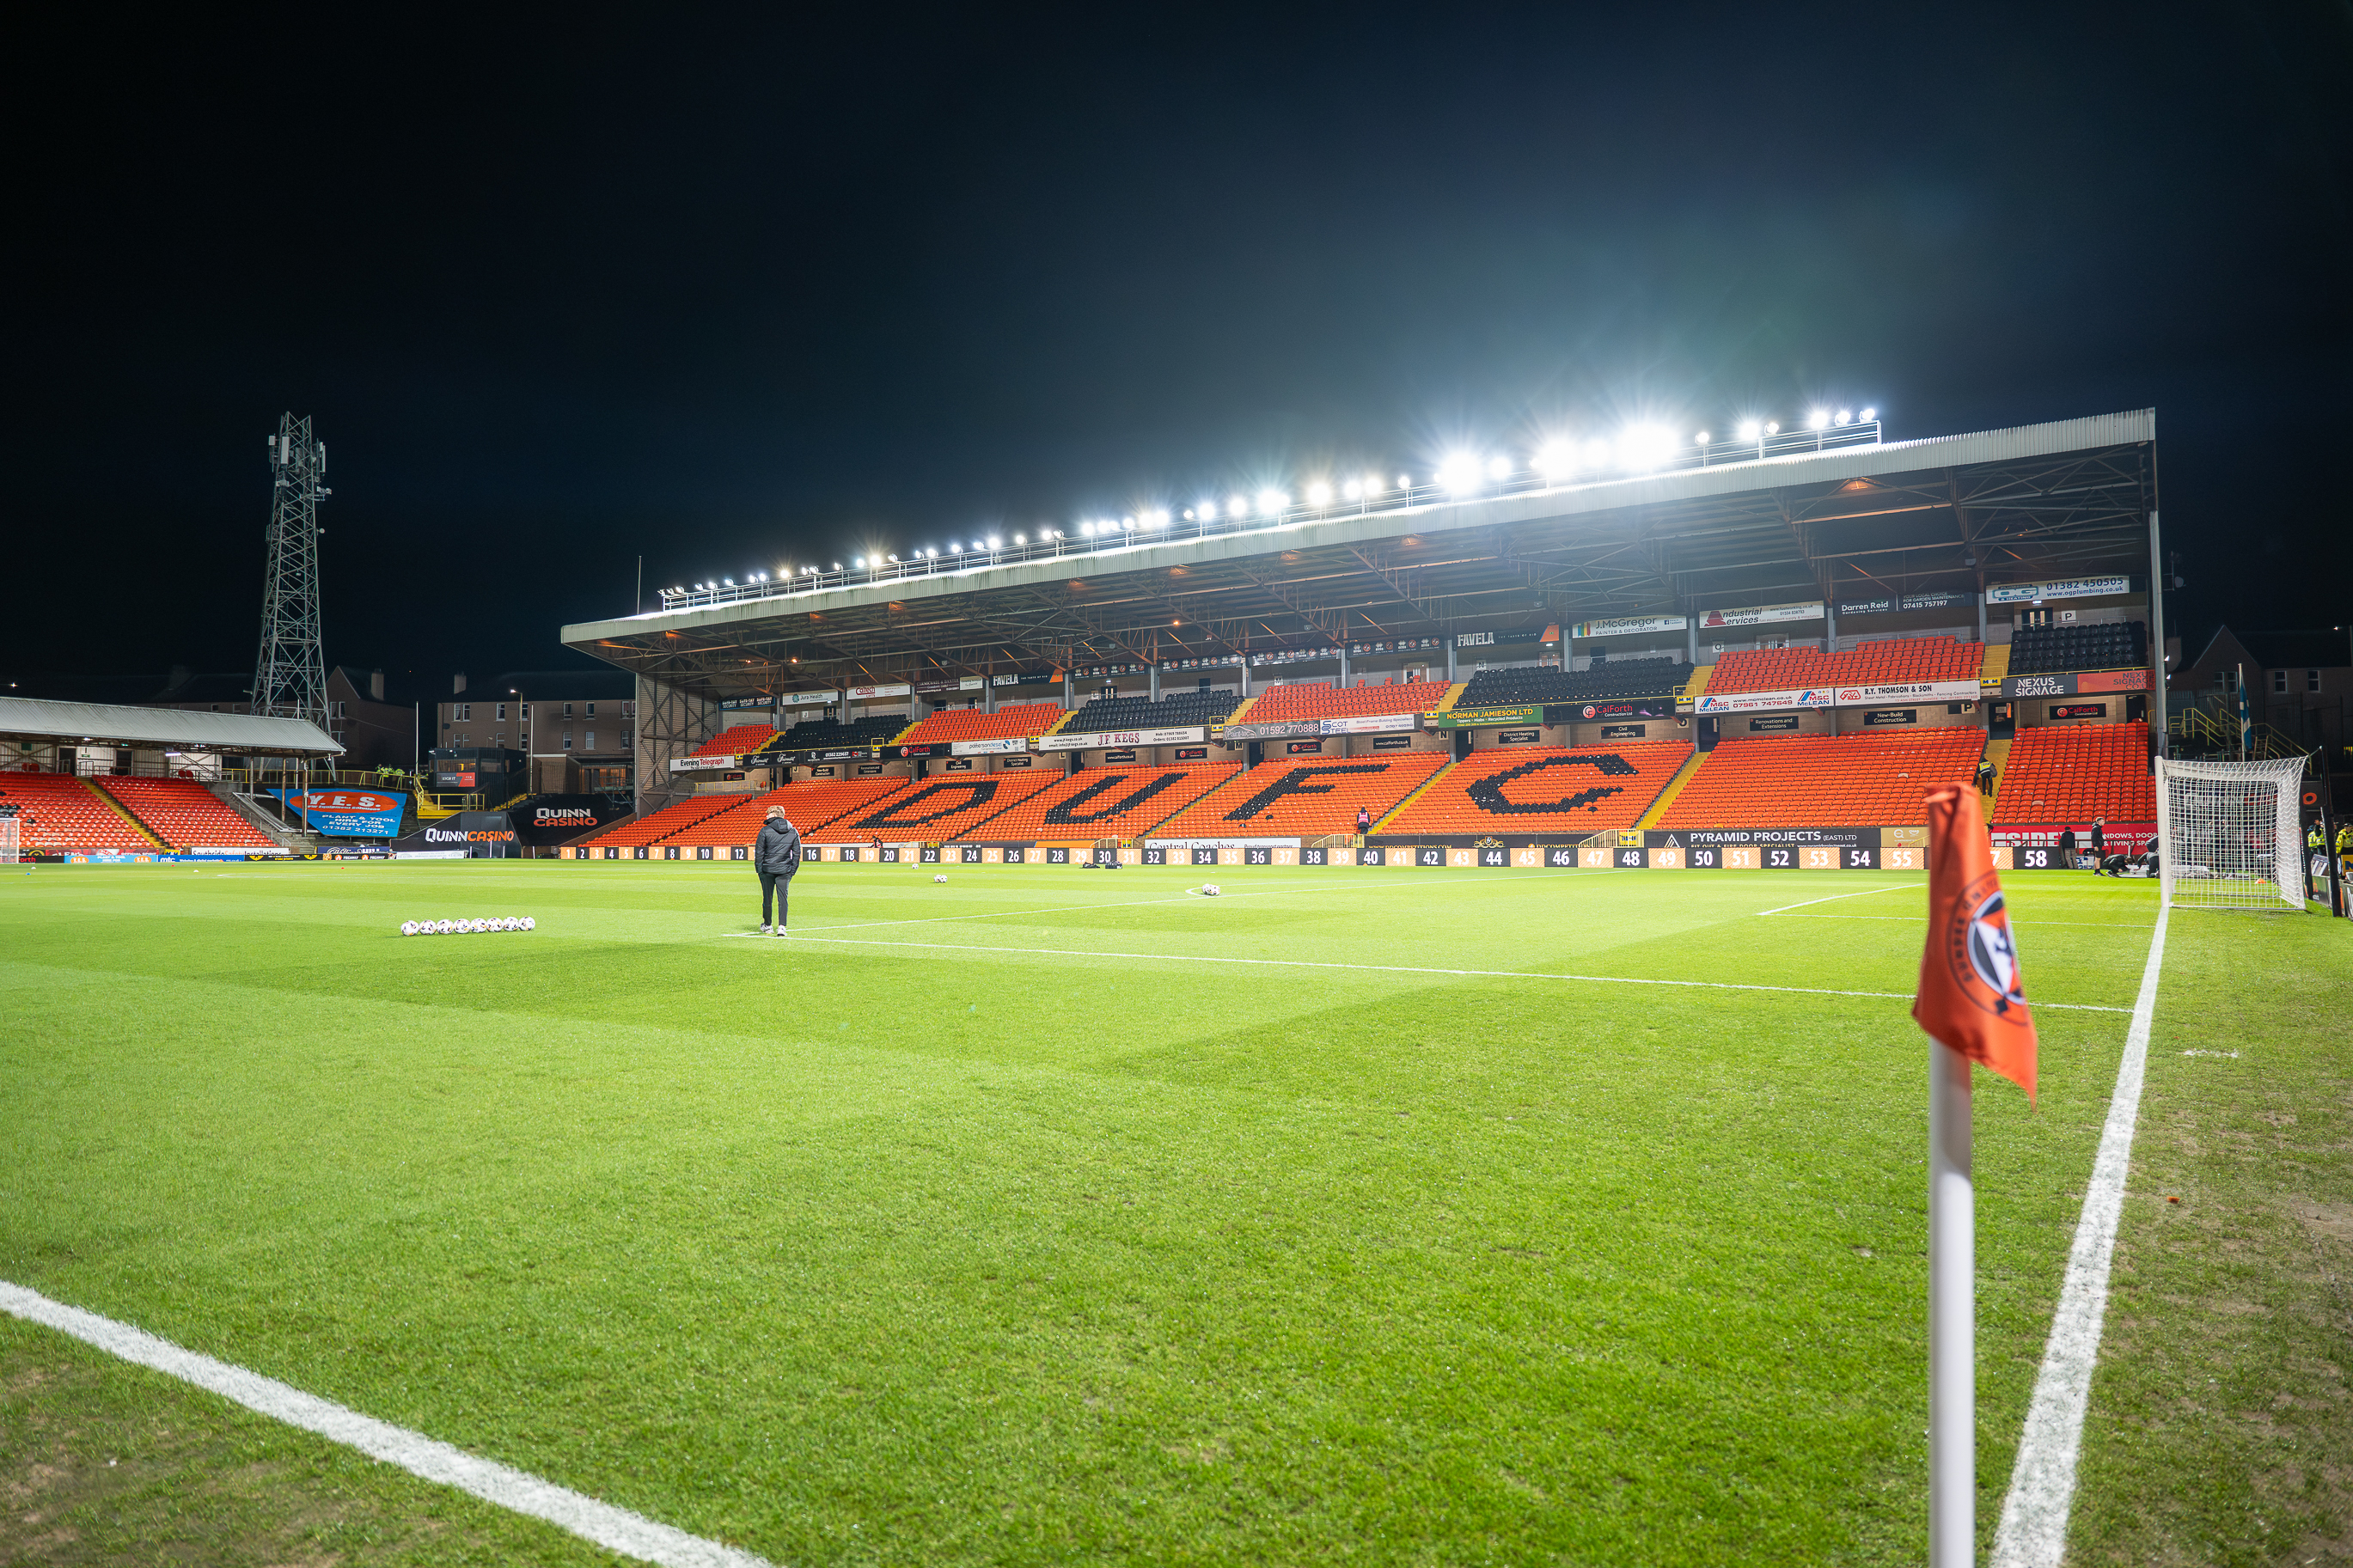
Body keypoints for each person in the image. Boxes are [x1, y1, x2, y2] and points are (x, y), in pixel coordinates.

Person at [753, 805, 801, 936]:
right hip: (784, 870)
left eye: (768, 814)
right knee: (783, 899)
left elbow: (759, 853)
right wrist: (792, 871)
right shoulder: (793, 831)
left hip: (767, 870)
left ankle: (768, 925)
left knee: (767, 899)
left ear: (773, 815)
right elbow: (797, 854)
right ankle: (782, 927)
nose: (766, 816)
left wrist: (759, 870)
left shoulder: (765, 831)